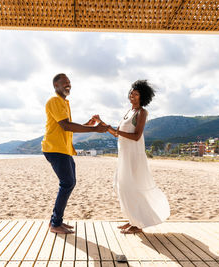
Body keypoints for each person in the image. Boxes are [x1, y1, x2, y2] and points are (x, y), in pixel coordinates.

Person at [94, 80, 170, 234]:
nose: (132, 96)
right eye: (131, 93)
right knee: (122, 186)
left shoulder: (142, 112)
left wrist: (113, 129)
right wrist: (101, 123)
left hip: (134, 156)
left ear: (142, 97)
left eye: (136, 94)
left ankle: (138, 224)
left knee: (132, 187)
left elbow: (136, 136)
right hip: (124, 155)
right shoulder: (128, 113)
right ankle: (133, 220)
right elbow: (117, 133)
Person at [42, 73, 109, 234]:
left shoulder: (64, 102)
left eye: (69, 83)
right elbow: (66, 126)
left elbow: (67, 127)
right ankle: (55, 223)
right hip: (55, 149)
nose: (68, 85)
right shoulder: (55, 101)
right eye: (64, 83)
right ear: (55, 86)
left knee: (69, 183)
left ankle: (56, 222)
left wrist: (87, 124)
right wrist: (94, 129)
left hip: (63, 149)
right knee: (67, 183)